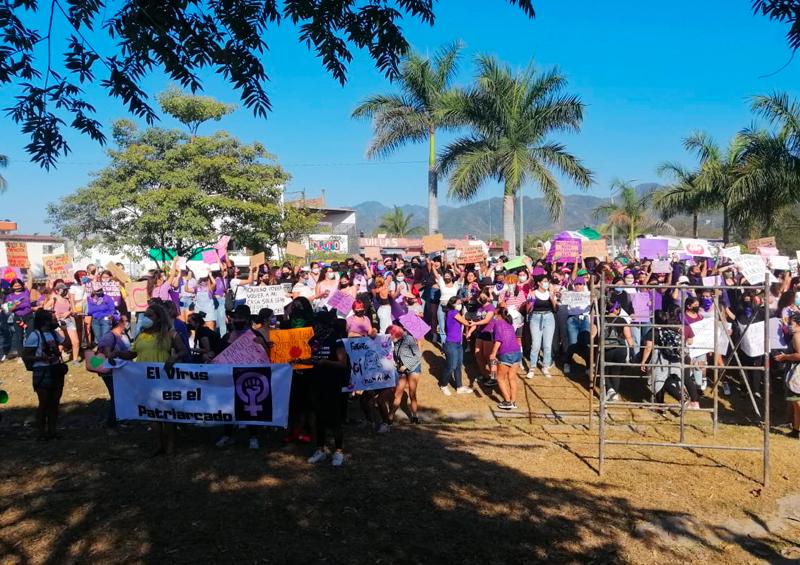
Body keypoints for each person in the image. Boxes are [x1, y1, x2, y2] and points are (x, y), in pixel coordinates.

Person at [131, 302, 189, 455]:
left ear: (159, 318)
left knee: (167, 414)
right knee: (152, 414)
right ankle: (158, 445)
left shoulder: (170, 333)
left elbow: (183, 350)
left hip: (164, 379)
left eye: (150, 315)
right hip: (145, 380)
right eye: (145, 315)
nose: (146, 318)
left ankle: (170, 445)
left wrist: (174, 358)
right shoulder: (141, 335)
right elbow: (132, 354)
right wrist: (117, 355)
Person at [215, 305, 271, 449]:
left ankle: (253, 436)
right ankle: (228, 435)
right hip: (229, 378)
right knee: (228, 406)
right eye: (235, 317)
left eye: (240, 318)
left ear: (246, 319)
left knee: (250, 407)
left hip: (248, 377)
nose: (236, 320)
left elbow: (267, 357)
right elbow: (218, 355)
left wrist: (263, 346)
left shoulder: (255, 336)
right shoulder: (227, 336)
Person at [305, 310, 349, 466]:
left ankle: (338, 451)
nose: (315, 327)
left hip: (332, 384)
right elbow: (314, 359)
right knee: (318, 418)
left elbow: (342, 363)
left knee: (335, 418)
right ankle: (320, 449)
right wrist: (301, 361)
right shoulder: (314, 340)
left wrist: (325, 363)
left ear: (325, 325)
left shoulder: (335, 340)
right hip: (317, 383)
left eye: (317, 324)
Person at [639, 308, 701, 409]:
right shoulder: (674, 329)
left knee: (658, 380)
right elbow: (688, 341)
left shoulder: (654, 331)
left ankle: (661, 406)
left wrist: (643, 361)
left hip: (661, 360)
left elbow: (648, 347)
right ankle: (691, 401)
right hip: (677, 358)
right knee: (681, 379)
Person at [22, 309, 67, 440]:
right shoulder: (35, 336)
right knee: (44, 403)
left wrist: (63, 329)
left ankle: (52, 431)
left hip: (56, 369)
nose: (55, 321)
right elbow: (26, 356)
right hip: (42, 371)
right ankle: (41, 433)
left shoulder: (54, 334)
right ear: (45, 321)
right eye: (53, 319)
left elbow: (66, 344)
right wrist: (40, 358)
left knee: (55, 402)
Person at [96, 314, 133, 428]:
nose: (128, 323)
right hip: (110, 373)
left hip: (119, 371)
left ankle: (119, 419)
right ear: (120, 323)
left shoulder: (122, 335)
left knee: (119, 395)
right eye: (126, 321)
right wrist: (122, 354)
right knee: (116, 396)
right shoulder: (109, 337)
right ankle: (112, 423)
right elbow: (108, 354)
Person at [388, 324, 422, 424]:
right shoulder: (396, 342)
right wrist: (394, 361)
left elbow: (418, 356)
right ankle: (390, 417)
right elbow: (396, 354)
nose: (389, 338)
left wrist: (406, 365)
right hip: (401, 369)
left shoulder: (409, 339)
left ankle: (415, 416)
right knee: (398, 393)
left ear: (395, 334)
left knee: (412, 393)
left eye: (390, 335)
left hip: (413, 368)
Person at [490, 307, 523, 410]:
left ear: (498, 314)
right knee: (512, 378)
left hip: (506, 353)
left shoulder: (497, 323)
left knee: (500, 378)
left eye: (495, 313)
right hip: (517, 352)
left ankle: (507, 401)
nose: (494, 315)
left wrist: (493, 353)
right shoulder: (509, 323)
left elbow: (498, 340)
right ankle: (513, 401)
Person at [603, 300, 635, 402]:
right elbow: (629, 337)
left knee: (603, 369)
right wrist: (632, 349)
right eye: (619, 307)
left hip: (606, 347)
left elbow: (594, 334)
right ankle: (614, 393)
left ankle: (610, 390)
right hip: (620, 348)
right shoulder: (622, 320)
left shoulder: (601, 320)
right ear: (615, 309)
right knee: (616, 371)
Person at [526, 275, 557, 379]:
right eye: (544, 281)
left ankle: (545, 366)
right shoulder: (533, 293)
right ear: (538, 283)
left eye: (547, 282)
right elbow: (528, 310)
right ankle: (532, 367)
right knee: (536, 345)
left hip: (549, 318)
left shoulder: (550, 293)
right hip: (535, 318)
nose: (546, 283)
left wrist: (552, 297)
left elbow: (555, 308)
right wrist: (531, 302)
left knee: (547, 345)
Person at [440, 296, 472, 396]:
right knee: (451, 366)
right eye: (458, 303)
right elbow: (466, 322)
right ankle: (443, 384)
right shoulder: (453, 313)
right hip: (451, 344)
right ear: (452, 304)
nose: (460, 305)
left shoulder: (453, 313)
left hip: (458, 343)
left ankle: (459, 387)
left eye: (460, 303)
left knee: (458, 366)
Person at [775, 312, 800, 439]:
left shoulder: (797, 336)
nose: (790, 326)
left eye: (792, 324)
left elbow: (799, 355)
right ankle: (796, 430)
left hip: (797, 372)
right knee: (795, 404)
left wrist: (785, 357)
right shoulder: (795, 335)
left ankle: (796, 430)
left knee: (797, 403)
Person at [44, 282, 80, 364]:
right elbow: (45, 309)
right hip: (58, 322)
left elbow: (73, 311)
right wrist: (54, 315)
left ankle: (75, 360)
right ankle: (56, 359)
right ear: (57, 291)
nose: (65, 291)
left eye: (66, 290)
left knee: (76, 341)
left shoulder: (68, 299)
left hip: (68, 321)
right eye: (63, 290)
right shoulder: (54, 299)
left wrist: (69, 311)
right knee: (62, 341)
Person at [6, 278, 33, 360]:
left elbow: (30, 281)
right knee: (19, 337)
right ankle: (21, 356)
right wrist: (15, 305)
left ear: (22, 285)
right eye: (15, 285)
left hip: (29, 316)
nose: (17, 286)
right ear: (12, 286)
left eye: (19, 284)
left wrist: (28, 269)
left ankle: (31, 353)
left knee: (30, 335)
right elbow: (10, 309)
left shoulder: (26, 292)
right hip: (18, 318)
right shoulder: (10, 296)